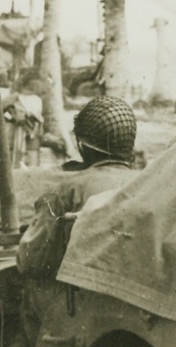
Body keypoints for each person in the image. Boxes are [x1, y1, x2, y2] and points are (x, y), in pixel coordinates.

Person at [16, 95, 139, 282]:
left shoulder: (65, 191)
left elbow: (31, 263)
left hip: (77, 304)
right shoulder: (150, 183)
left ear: (83, 146)